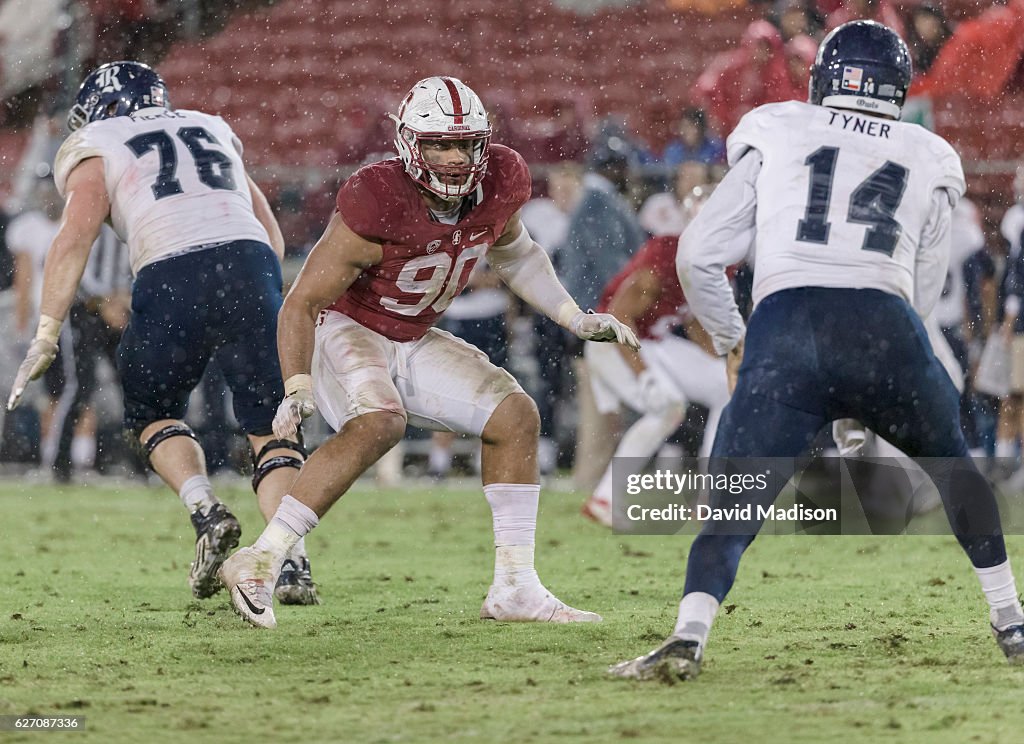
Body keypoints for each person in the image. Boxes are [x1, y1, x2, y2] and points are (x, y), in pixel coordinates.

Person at [611, 21, 1024, 681]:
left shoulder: (778, 128)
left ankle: (688, 636)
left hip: (787, 321)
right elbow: (923, 287)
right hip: (884, 323)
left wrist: (734, 339)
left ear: (824, 79)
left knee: (736, 496)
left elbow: (698, 254)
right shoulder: (928, 151)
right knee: (956, 471)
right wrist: (877, 387)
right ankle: (1011, 620)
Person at [218, 76, 639, 629]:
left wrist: (573, 317)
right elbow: (301, 301)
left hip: (410, 333)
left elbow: (516, 254)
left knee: (515, 417)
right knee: (381, 421)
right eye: (441, 143)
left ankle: (516, 588)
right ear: (410, 143)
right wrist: (296, 384)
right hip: (347, 326)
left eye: (466, 143)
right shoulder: (376, 198)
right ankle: (263, 558)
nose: (456, 158)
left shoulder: (501, 179)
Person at [5, 61, 317, 605]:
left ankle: (206, 509)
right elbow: (270, 231)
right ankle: (290, 561)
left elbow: (73, 237)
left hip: (172, 268)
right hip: (249, 263)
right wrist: (266, 300)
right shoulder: (209, 125)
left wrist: (47, 331)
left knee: (153, 413)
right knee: (270, 428)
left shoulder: (99, 139)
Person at [581, 228, 730, 527]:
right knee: (667, 408)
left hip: (654, 341)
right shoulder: (668, 259)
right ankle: (604, 498)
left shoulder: (713, 264)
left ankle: (710, 499)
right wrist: (645, 376)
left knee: (727, 387)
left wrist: (730, 359)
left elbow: (693, 324)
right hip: (612, 339)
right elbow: (619, 316)